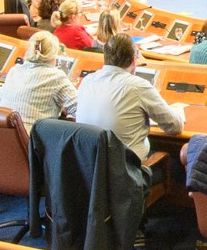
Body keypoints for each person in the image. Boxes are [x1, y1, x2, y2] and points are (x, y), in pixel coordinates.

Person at [76, 35, 184, 163]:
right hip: (127, 171)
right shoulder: (138, 86)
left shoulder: (87, 81)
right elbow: (175, 126)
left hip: (89, 166)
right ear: (134, 60)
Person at [0, 30, 79, 122]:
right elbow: (79, 109)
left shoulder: (14, 70)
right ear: (53, 55)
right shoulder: (56, 76)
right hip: (33, 134)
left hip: (8, 133)